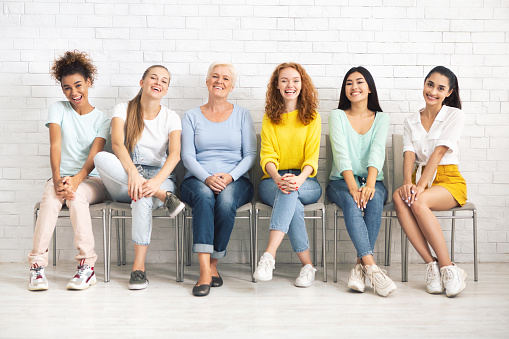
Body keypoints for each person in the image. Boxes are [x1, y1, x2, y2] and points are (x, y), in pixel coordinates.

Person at [94, 65, 184, 290]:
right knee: (101, 158)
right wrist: (133, 173)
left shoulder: (171, 117)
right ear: (142, 82)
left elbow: (174, 155)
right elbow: (116, 144)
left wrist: (155, 183)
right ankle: (165, 196)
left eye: (164, 81)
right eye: (153, 77)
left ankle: (138, 268)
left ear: (166, 89)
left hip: (160, 177)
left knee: (142, 196)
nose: (158, 82)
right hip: (125, 176)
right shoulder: (123, 109)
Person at [28, 50, 109, 291]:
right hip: (60, 178)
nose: (73, 93)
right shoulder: (58, 109)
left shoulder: (102, 119)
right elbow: (55, 145)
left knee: (76, 196)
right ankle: (36, 268)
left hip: (92, 180)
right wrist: (56, 179)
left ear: (89, 83)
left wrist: (76, 181)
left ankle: (87, 266)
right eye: (66, 88)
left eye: (78, 85)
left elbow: (94, 159)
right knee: (51, 199)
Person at [181, 62, 256, 297]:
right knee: (204, 197)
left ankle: (214, 263)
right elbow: (187, 156)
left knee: (225, 201)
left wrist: (230, 176)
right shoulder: (191, 116)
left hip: (236, 180)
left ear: (231, 86)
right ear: (207, 82)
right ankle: (204, 271)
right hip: (197, 179)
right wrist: (206, 178)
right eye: (215, 76)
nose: (219, 81)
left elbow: (251, 155)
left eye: (225, 78)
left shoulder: (243, 114)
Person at [393, 66, 467, 297]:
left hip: (447, 179)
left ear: (449, 92)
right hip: (420, 177)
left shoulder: (454, 115)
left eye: (440, 88)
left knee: (417, 201)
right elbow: (409, 154)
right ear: (424, 84)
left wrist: (420, 187)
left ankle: (449, 269)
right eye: (430, 84)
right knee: (399, 196)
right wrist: (408, 182)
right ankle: (432, 266)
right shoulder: (411, 120)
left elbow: (438, 153)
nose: (433, 91)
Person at [326, 66, 396, 297]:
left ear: (369, 88)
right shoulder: (336, 115)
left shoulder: (382, 118)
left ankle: (359, 268)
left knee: (373, 201)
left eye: (359, 82)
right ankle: (372, 268)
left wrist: (370, 185)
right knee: (351, 201)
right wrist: (354, 188)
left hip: (372, 180)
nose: (354, 87)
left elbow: (377, 153)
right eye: (349, 83)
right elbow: (341, 153)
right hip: (341, 182)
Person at [253, 62, 322, 288]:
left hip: (307, 180)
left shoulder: (312, 117)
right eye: (284, 80)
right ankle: (307, 267)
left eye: (295, 80)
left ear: (302, 85)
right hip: (272, 180)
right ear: (277, 85)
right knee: (291, 197)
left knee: (291, 191)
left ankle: (269, 255)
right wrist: (278, 179)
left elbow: (312, 158)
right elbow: (267, 157)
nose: (290, 85)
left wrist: (299, 179)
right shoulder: (269, 118)